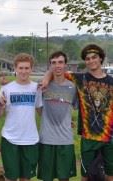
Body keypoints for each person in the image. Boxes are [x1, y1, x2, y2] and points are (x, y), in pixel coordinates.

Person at [41, 44, 113, 181]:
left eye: (94, 57)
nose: (91, 61)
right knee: (85, 176)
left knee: (110, 174)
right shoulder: (79, 79)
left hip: (109, 136)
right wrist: (45, 79)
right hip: (88, 136)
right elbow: (56, 70)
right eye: (87, 58)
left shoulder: (111, 81)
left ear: (101, 59)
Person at [0, 53, 42, 181]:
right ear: (15, 68)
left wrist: (61, 121)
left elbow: (40, 111)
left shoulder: (36, 88)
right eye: (21, 68)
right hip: (10, 139)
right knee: (11, 178)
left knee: (25, 178)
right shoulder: (6, 88)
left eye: (27, 68)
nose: (24, 71)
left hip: (30, 139)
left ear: (31, 69)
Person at [37, 51, 77, 181]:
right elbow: (38, 109)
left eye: (60, 62)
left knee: (64, 178)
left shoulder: (72, 87)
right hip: (46, 139)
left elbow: (76, 108)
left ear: (66, 64)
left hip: (65, 140)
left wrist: (68, 120)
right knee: (47, 178)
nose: (57, 65)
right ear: (50, 66)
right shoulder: (43, 85)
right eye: (53, 63)